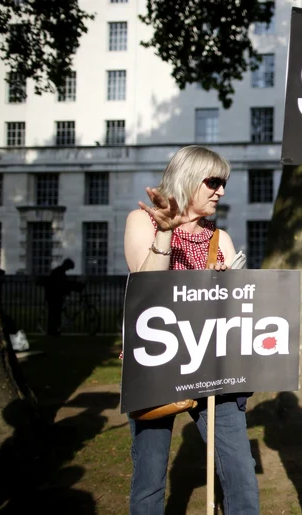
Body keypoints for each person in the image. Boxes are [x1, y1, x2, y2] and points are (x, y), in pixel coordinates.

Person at [122, 145, 259, 515]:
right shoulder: (143, 222)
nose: (221, 191)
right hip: (156, 362)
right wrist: (165, 233)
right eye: (213, 182)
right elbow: (146, 288)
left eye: (224, 183)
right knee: (149, 477)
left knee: (240, 472)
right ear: (187, 178)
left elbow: (241, 312)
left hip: (211, 365)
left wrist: (231, 289)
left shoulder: (221, 240)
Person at [44, 258, 83, 336]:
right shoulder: (59, 272)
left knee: (55, 314)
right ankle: (52, 331)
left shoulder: (58, 271)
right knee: (54, 314)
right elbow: (62, 284)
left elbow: (63, 284)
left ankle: (54, 330)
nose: (68, 270)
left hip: (54, 296)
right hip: (54, 296)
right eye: (69, 268)